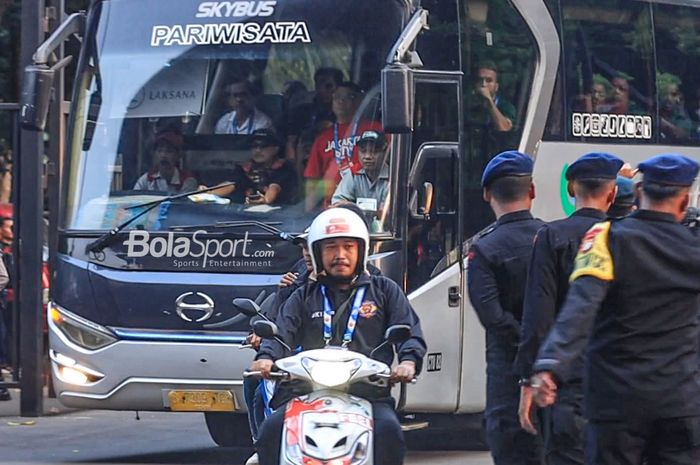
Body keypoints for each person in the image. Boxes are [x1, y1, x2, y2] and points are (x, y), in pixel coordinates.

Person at [531, 154, 700, 465]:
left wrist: (550, 364)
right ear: (684, 201)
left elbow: (580, 308)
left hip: (616, 402)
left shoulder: (604, 239)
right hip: (680, 400)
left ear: (638, 193)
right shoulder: (693, 244)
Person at [250, 207, 426, 465]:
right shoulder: (303, 294)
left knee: (389, 432)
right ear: (318, 253)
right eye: (331, 247)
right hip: (304, 389)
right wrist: (266, 357)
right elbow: (281, 332)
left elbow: (409, 331)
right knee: (271, 431)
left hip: (367, 391)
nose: (340, 255)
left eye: (348, 247)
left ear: (361, 251)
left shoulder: (385, 290)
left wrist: (408, 362)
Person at [514, 152, 623, 465]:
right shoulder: (624, 237)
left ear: (572, 189)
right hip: (615, 382)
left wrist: (528, 381)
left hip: (565, 384)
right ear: (612, 193)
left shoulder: (551, 237)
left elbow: (537, 315)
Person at [467, 151, 544, 465]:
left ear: (487, 195)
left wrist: (524, 341)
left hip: (507, 373)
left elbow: (492, 316)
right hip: (557, 370)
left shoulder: (484, 249)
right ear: (532, 191)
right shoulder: (553, 237)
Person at [303, 82, 382, 210]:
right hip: (331, 209)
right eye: (337, 97)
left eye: (347, 97)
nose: (340, 101)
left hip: (368, 207)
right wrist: (308, 212)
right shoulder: (323, 138)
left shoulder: (375, 129)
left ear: (358, 101)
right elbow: (313, 179)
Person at [207, 129, 297, 205]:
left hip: (275, 219)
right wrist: (208, 193)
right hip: (240, 215)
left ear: (275, 149)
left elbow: (274, 188)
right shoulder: (244, 167)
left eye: (263, 146)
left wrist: (265, 200)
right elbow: (231, 184)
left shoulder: (284, 169)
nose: (258, 150)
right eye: (254, 146)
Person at [286, 67, 344, 161]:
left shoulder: (346, 114)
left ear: (338, 88)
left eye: (328, 86)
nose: (322, 90)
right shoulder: (301, 112)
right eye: (319, 85)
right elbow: (291, 144)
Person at [331, 130, 390, 215]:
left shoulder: (393, 176)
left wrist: (353, 207)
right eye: (363, 151)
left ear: (385, 153)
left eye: (375, 151)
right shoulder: (353, 173)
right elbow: (337, 204)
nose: (367, 156)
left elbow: (388, 213)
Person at [133, 131, 198, 194]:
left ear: (178, 155)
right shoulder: (146, 179)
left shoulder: (187, 180)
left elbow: (185, 204)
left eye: (169, 151)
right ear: (154, 155)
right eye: (160, 151)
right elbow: (135, 200)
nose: (163, 155)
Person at [474, 61, 516, 133]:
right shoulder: (467, 105)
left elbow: (504, 128)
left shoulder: (507, 107)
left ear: (496, 86)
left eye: (489, 80)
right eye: (480, 80)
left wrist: (489, 101)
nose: (483, 84)